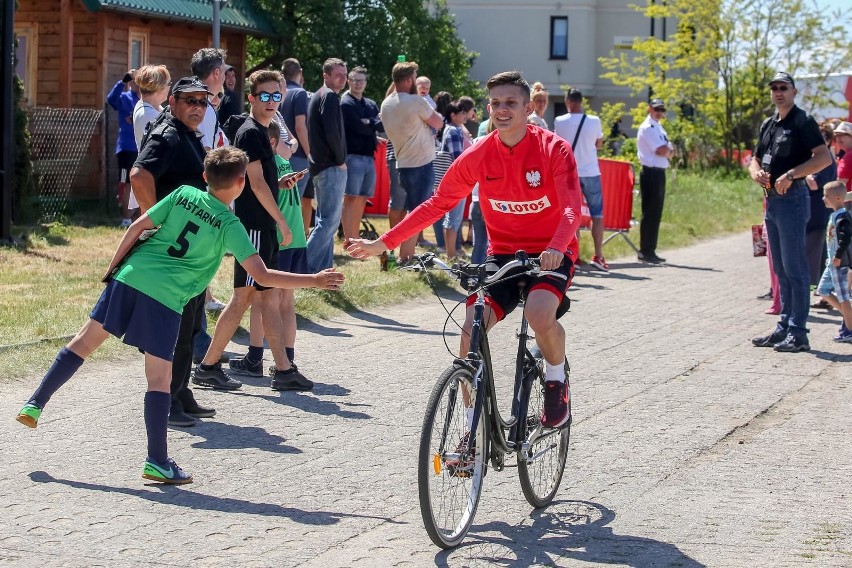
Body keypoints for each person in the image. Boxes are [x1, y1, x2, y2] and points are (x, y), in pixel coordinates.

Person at [15, 146, 345, 485]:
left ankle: (35, 402)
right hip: (165, 298)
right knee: (158, 380)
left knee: (82, 343)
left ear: (205, 176)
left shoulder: (183, 193)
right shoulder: (230, 224)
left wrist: (112, 271)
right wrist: (315, 279)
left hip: (130, 277)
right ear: (242, 182)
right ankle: (157, 461)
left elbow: (136, 229)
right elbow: (262, 277)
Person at [347, 70, 582, 429]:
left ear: (526, 107)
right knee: (471, 325)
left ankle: (555, 380)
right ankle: (471, 429)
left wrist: (555, 247)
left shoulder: (552, 148)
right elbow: (437, 203)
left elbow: (570, 209)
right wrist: (384, 242)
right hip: (503, 254)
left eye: (511, 103)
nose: (502, 110)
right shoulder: (479, 153)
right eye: (496, 103)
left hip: (551, 251)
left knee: (538, 313)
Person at [195, 70, 314, 392]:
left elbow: (257, 182)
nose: (271, 101)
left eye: (276, 96)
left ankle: (282, 369)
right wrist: (282, 221)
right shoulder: (251, 132)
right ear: (251, 97)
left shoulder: (260, 131)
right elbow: (256, 183)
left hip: (261, 226)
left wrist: (278, 186)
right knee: (246, 298)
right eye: (264, 95)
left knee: (264, 298)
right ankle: (209, 366)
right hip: (257, 228)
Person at [129, 76, 218, 427]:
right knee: (177, 329)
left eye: (203, 101)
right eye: (190, 100)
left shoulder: (185, 133)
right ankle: (169, 402)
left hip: (188, 248)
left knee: (192, 322)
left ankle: (180, 392)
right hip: (172, 250)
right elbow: (139, 175)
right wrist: (157, 225)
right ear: (173, 102)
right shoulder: (166, 134)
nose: (198, 107)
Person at [750, 71, 832, 353]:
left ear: (794, 91)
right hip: (771, 201)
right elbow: (755, 158)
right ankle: (783, 326)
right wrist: (756, 172)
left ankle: (799, 332)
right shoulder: (768, 124)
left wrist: (793, 175)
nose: (778, 92)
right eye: (774, 88)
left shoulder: (802, 121)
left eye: (783, 87)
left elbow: (824, 157)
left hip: (793, 199)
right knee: (781, 268)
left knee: (795, 267)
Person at [380, 61, 445, 261]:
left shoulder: (386, 103)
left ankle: (395, 256)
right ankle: (404, 257)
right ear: (409, 80)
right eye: (415, 78)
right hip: (421, 164)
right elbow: (438, 122)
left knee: (406, 210)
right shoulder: (415, 102)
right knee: (418, 214)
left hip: (402, 163)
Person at [553, 88, 608, 271]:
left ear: (567, 101)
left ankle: (573, 256)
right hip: (591, 171)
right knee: (597, 214)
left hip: (570, 173)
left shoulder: (559, 121)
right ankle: (598, 256)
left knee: (571, 213)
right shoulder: (594, 121)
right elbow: (599, 144)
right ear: (582, 101)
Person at [305, 58, 349, 272]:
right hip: (330, 166)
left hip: (322, 165)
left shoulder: (319, 96)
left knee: (326, 220)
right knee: (329, 222)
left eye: (344, 74)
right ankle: (302, 269)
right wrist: (341, 161)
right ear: (326, 76)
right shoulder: (329, 97)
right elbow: (333, 133)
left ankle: (323, 271)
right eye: (338, 74)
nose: (343, 78)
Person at [341, 65, 382, 241]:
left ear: (365, 83)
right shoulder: (345, 103)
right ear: (348, 82)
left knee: (363, 198)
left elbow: (381, 124)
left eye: (361, 80)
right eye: (355, 80)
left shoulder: (371, 104)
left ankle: (355, 236)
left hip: (369, 157)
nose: (358, 84)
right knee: (350, 197)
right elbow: (359, 128)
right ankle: (348, 236)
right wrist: (370, 125)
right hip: (352, 156)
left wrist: (369, 123)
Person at [636, 98, 674, 263]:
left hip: (659, 172)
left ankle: (651, 249)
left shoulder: (659, 127)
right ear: (649, 109)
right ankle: (646, 250)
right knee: (650, 212)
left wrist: (669, 152)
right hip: (651, 172)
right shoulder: (649, 127)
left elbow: (669, 150)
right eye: (656, 109)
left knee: (656, 212)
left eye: (661, 109)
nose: (659, 112)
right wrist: (669, 152)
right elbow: (662, 150)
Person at [279, 58, 315, 235]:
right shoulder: (301, 94)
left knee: (286, 200)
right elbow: (300, 126)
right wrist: (310, 154)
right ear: (300, 72)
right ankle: (290, 242)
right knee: (293, 203)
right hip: (299, 155)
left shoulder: (281, 93)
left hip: (281, 153)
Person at [805, 123, 837, 308]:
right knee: (818, 255)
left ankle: (826, 295)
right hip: (814, 213)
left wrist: (799, 171)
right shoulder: (815, 159)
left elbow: (814, 184)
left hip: (819, 214)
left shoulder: (824, 160)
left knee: (819, 256)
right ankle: (825, 295)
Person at [816, 181, 852, 342]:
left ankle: (849, 330)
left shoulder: (843, 216)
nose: (823, 198)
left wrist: (838, 256)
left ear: (838, 198)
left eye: (826, 196)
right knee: (823, 290)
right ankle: (848, 315)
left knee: (844, 297)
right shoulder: (834, 215)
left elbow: (845, 238)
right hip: (831, 264)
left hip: (840, 264)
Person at [438, 100, 472, 259]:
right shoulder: (453, 131)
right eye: (462, 112)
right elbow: (458, 158)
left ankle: (451, 252)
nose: (466, 115)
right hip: (456, 181)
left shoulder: (452, 129)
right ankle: (450, 254)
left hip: (452, 180)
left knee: (452, 219)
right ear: (453, 115)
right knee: (453, 219)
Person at [106, 69, 140, 227]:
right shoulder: (125, 97)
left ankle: (138, 216)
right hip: (126, 149)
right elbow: (111, 99)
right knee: (126, 182)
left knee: (141, 183)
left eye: (137, 80)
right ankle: (125, 218)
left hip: (143, 149)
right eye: (132, 81)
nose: (136, 84)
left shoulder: (147, 101)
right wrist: (122, 82)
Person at [190, 48, 229, 150]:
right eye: (224, 73)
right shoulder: (204, 108)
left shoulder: (185, 99)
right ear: (216, 73)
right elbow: (205, 153)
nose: (224, 78)